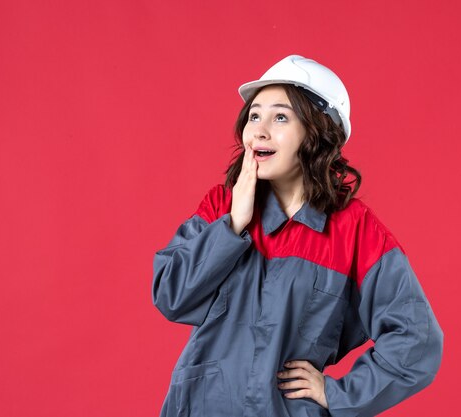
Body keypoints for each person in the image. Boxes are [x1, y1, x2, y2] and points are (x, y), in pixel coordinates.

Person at [152, 54, 443, 417]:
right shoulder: (221, 207)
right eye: (254, 115)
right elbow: (170, 296)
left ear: (317, 132)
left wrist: (338, 394)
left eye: (280, 117)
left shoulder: (354, 231)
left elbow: (418, 340)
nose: (259, 130)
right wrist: (232, 227)